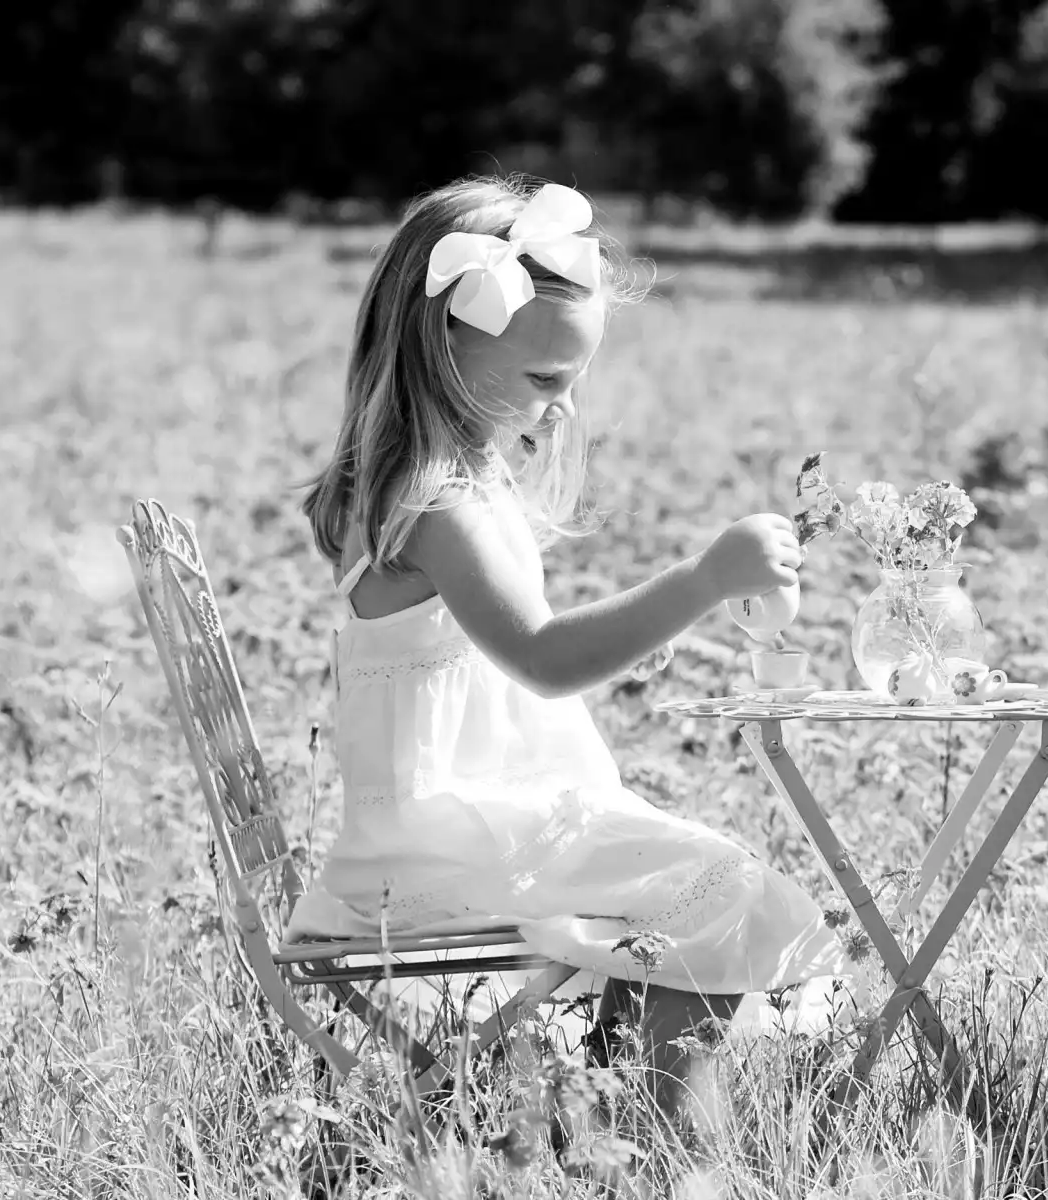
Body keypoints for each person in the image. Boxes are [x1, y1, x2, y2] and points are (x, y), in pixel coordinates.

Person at [288, 176, 845, 1122]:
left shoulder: (457, 481)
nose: (563, 404)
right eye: (546, 379)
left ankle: (603, 1129)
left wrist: (694, 612)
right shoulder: (434, 503)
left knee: (693, 886)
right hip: (436, 847)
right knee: (722, 892)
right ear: (443, 348)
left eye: (575, 378)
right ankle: (675, 1159)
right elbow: (542, 658)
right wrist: (701, 581)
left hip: (456, 828)